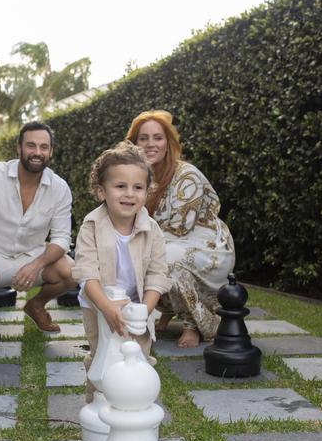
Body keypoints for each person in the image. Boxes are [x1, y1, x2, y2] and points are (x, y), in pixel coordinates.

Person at [0, 121, 76, 333]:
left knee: (73, 271)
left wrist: (36, 265)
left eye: (43, 147)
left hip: (33, 257)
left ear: (50, 151)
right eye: (31, 145)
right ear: (19, 148)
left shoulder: (59, 187)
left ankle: (36, 306)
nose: (37, 152)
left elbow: (62, 239)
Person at [126, 110, 235, 348]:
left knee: (165, 260)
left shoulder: (187, 176)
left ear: (168, 143)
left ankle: (194, 324)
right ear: (134, 143)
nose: (150, 144)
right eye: (143, 138)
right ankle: (168, 311)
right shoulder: (136, 175)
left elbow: (179, 228)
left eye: (158, 137)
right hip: (163, 240)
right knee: (132, 255)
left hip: (206, 246)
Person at [72, 141, 171, 402]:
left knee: (139, 355)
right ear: (101, 190)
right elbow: (87, 274)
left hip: (137, 304)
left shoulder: (152, 229)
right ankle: (98, 406)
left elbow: (157, 276)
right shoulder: (91, 226)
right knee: (103, 355)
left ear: (147, 192)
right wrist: (106, 308)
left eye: (138, 187)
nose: (129, 194)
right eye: (120, 186)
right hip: (97, 304)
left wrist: (144, 311)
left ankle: (139, 403)